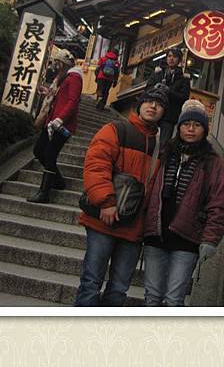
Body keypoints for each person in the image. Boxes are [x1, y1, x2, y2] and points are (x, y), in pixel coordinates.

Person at [74, 85, 169, 307]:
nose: (153, 106)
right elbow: (96, 165)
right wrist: (106, 201)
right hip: (103, 220)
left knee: (118, 289)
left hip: (134, 227)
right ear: (139, 104)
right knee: (91, 282)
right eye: (149, 101)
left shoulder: (161, 146)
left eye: (160, 104)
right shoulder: (116, 129)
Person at [143, 99, 224, 307]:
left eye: (197, 125)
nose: (191, 129)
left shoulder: (211, 161)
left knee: (174, 299)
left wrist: (210, 239)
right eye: (186, 124)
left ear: (205, 129)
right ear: (179, 127)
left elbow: (218, 204)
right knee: (152, 296)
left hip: (187, 239)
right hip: (156, 235)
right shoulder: (166, 153)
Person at [28, 49, 83, 204]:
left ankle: (44, 192)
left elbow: (73, 101)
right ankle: (58, 181)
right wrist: (48, 93)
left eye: (57, 63)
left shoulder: (74, 78)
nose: (55, 66)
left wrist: (60, 119)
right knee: (39, 150)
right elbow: (63, 98)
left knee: (49, 154)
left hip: (61, 125)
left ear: (63, 64)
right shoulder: (65, 78)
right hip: (52, 122)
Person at [146, 46, 190, 148]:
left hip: (169, 116)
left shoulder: (184, 78)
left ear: (179, 60)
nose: (171, 59)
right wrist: (155, 89)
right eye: (169, 56)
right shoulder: (158, 73)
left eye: (174, 57)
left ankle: (160, 163)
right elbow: (147, 89)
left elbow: (184, 97)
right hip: (153, 111)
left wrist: (169, 92)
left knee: (163, 144)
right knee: (147, 141)